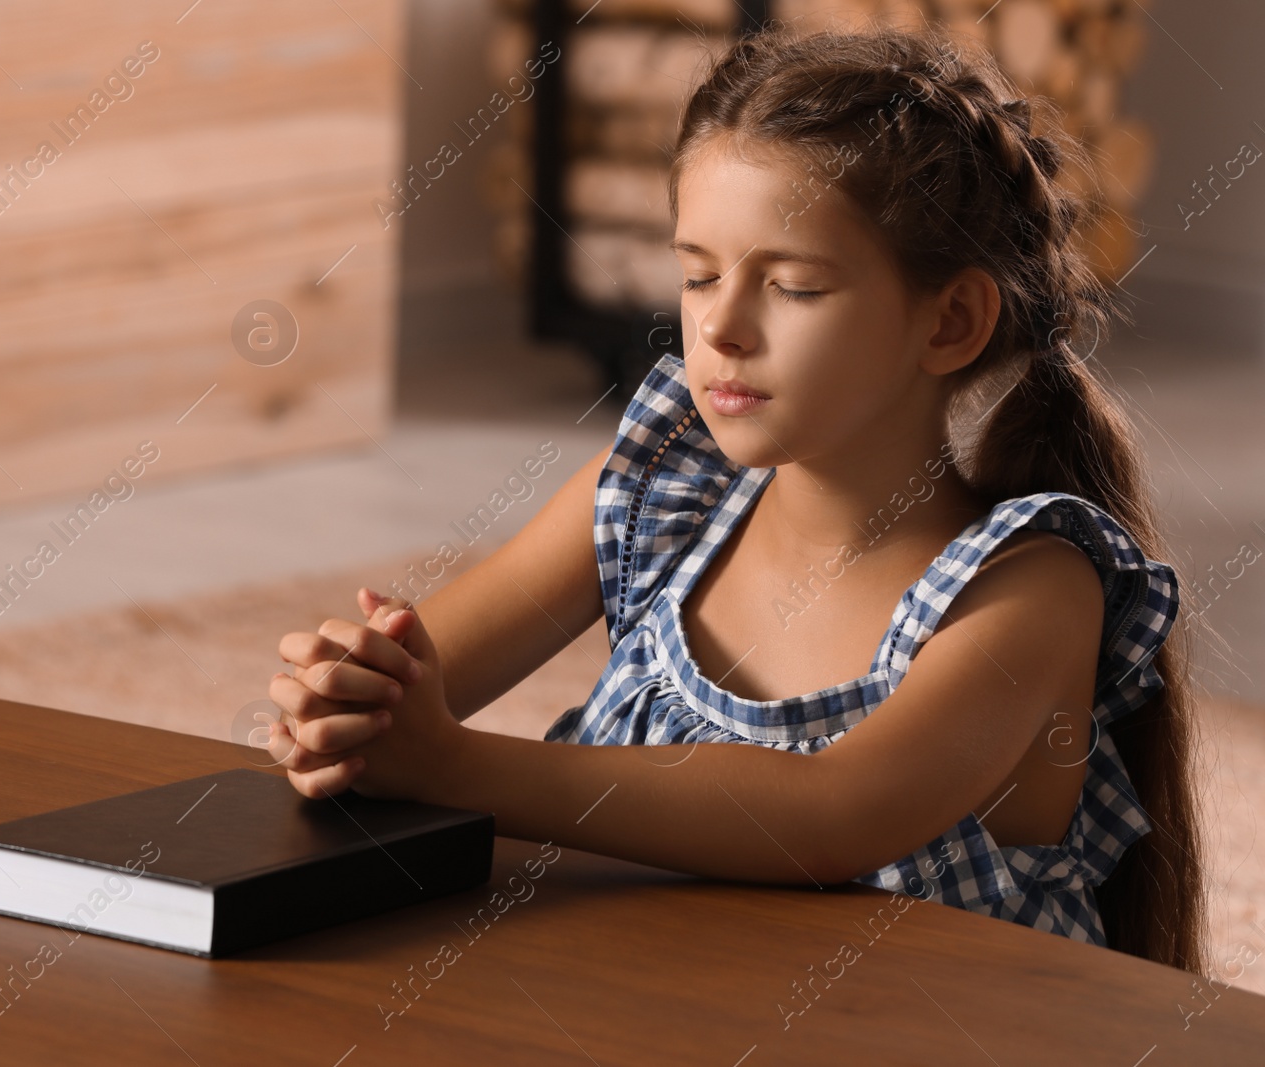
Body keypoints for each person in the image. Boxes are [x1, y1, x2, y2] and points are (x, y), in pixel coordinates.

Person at [266, 22, 1206, 973]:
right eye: (699, 274)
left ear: (952, 320)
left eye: (791, 286)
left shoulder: (1030, 590)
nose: (721, 325)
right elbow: (414, 682)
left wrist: (455, 768)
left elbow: (832, 815)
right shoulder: (653, 494)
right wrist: (349, 700)